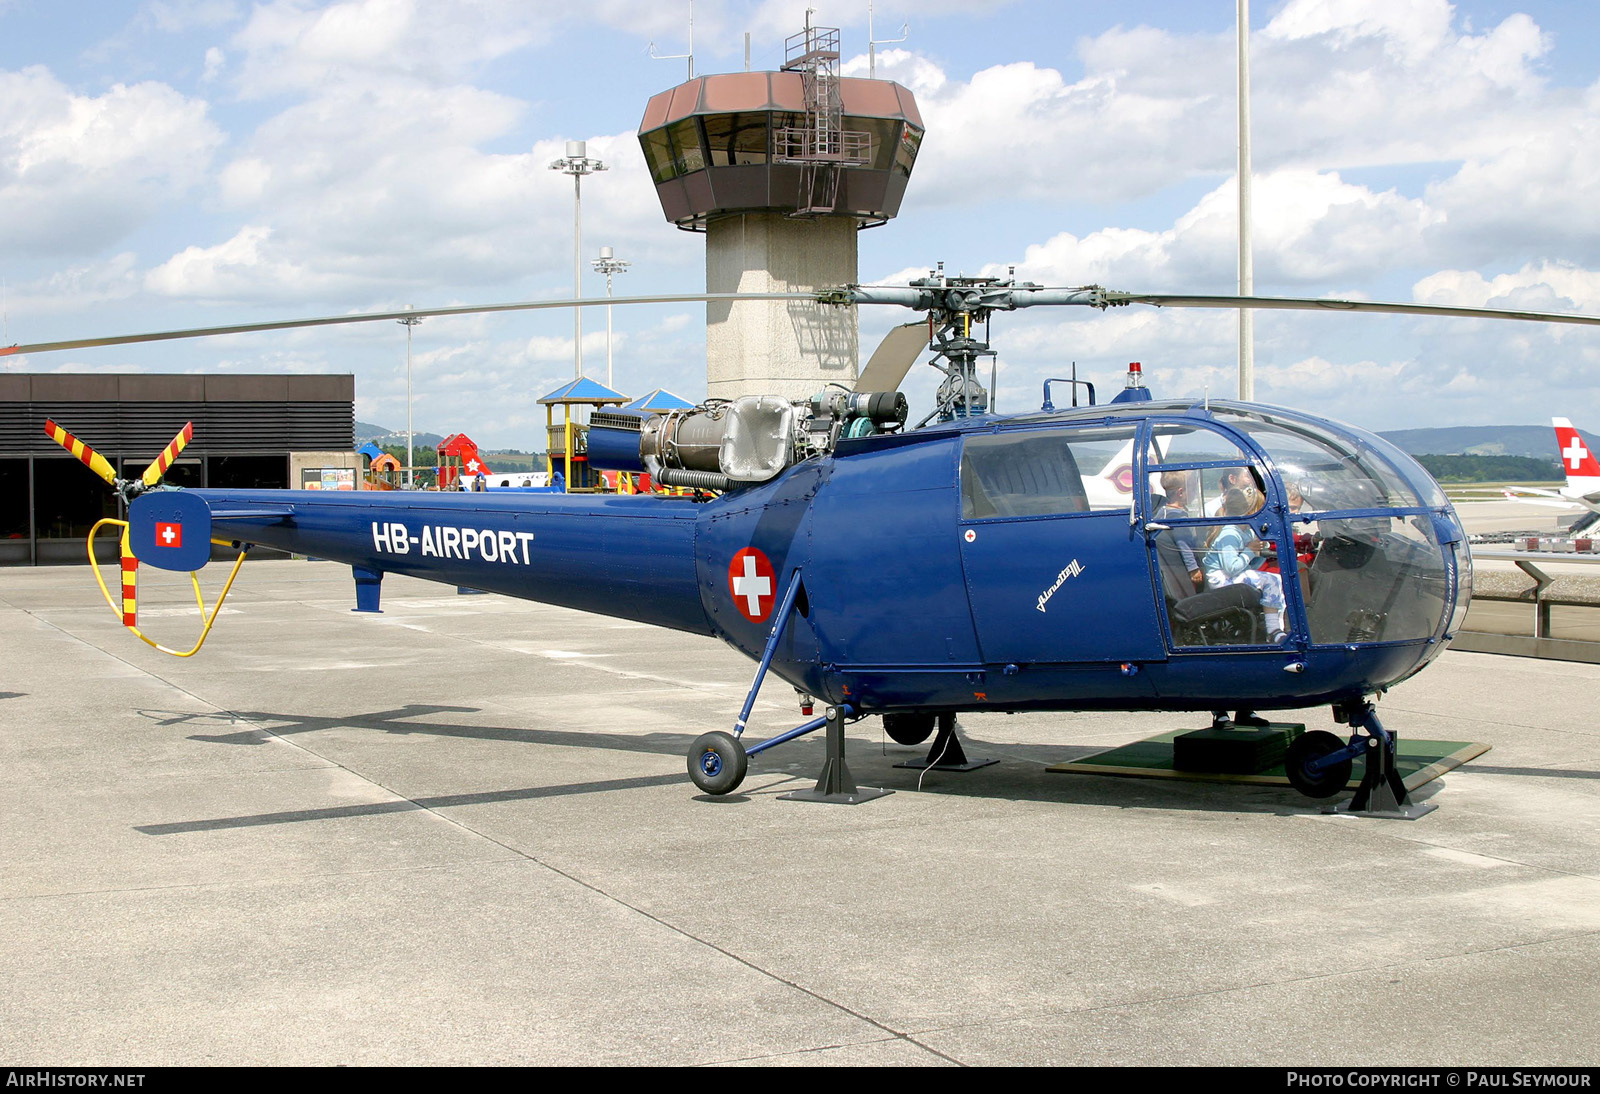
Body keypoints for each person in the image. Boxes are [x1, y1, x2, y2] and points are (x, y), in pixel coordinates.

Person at [1203, 485, 1288, 731]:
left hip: (1226, 577)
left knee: (1270, 580)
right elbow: (1231, 567)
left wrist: (1258, 553)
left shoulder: (1235, 533)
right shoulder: (1230, 533)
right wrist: (1251, 553)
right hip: (1221, 581)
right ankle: (1275, 630)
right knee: (1273, 581)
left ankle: (1243, 707)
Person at [1154, 469, 1203, 592]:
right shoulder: (1178, 516)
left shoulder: (1164, 511)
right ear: (1180, 493)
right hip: (1184, 567)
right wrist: (1193, 568)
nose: (1195, 493)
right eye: (1192, 489)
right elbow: (1183, 544)